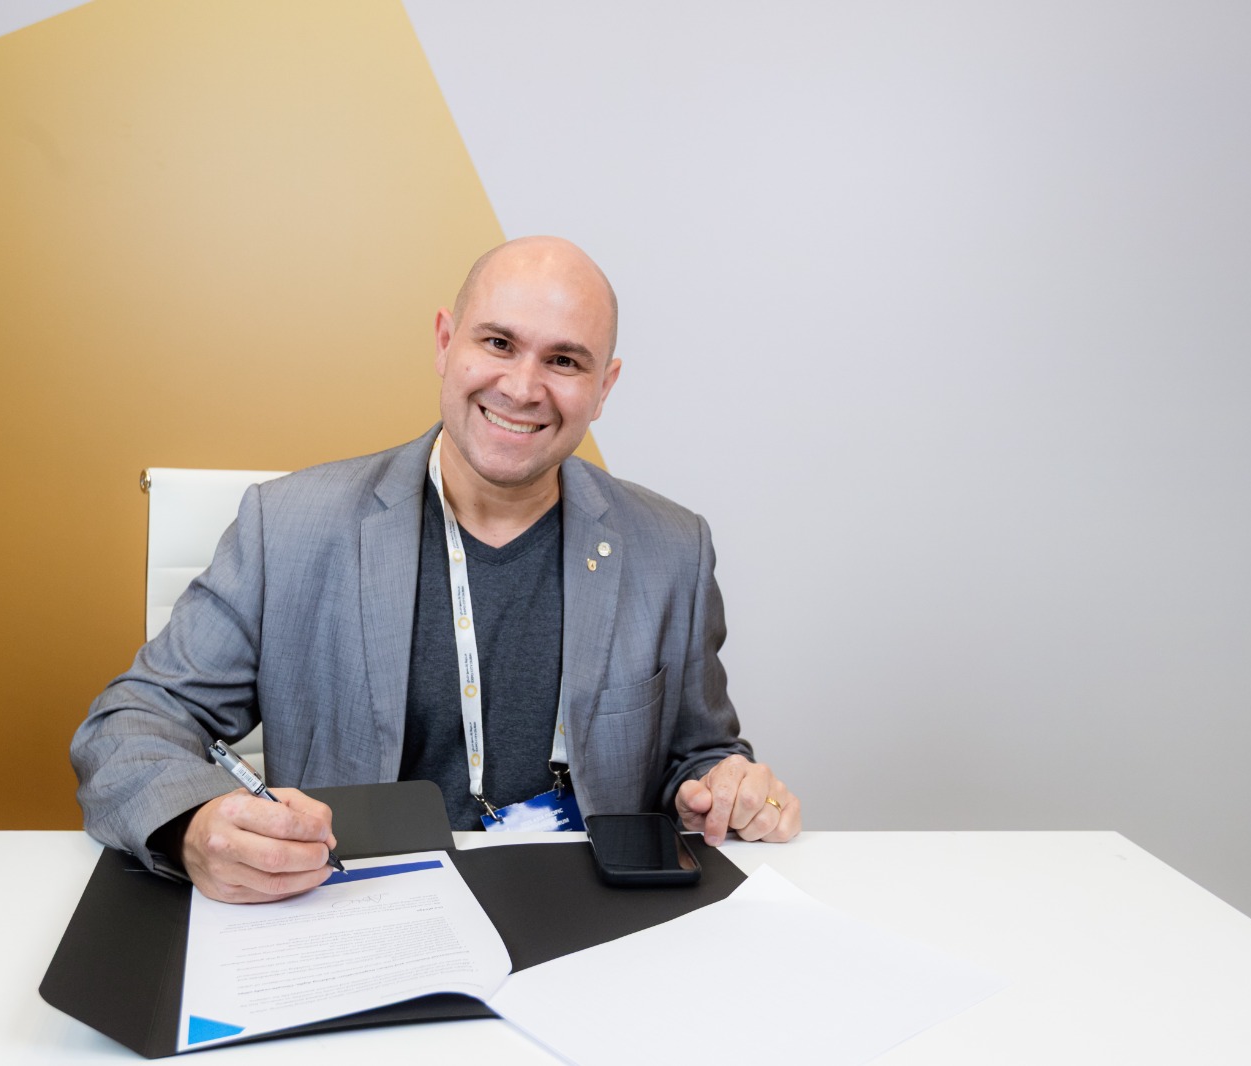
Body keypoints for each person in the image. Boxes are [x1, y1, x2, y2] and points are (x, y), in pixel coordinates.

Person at [71, 237, 801, 903]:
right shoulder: (286, 527)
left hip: (588, 921)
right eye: (498, 343)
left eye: (565, 361)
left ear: (604, 387)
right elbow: (131, 722)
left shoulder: (672, 549)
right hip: (351, 908)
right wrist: (194, 825)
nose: (522, 387)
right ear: (447, 343)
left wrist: (725, 787)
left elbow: (698, 755)